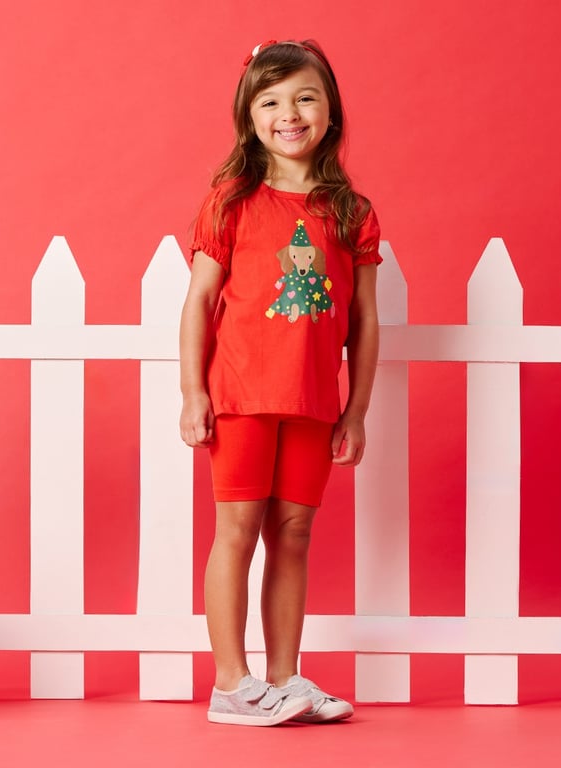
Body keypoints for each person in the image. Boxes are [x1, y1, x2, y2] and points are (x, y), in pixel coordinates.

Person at [179, 38, 381, 727]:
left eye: (304, 97)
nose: (289, 113)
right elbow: (200, 302)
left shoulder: (350, 211)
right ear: (249, 116)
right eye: (270, 101)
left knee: (293, 534)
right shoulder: (231, 202)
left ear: (330, 111)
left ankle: (284, 678)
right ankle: (231, 685)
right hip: (241, 397)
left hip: (313, 402)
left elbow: (365, 320)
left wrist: (355, 410)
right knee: (236, 531)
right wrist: (193, 393)